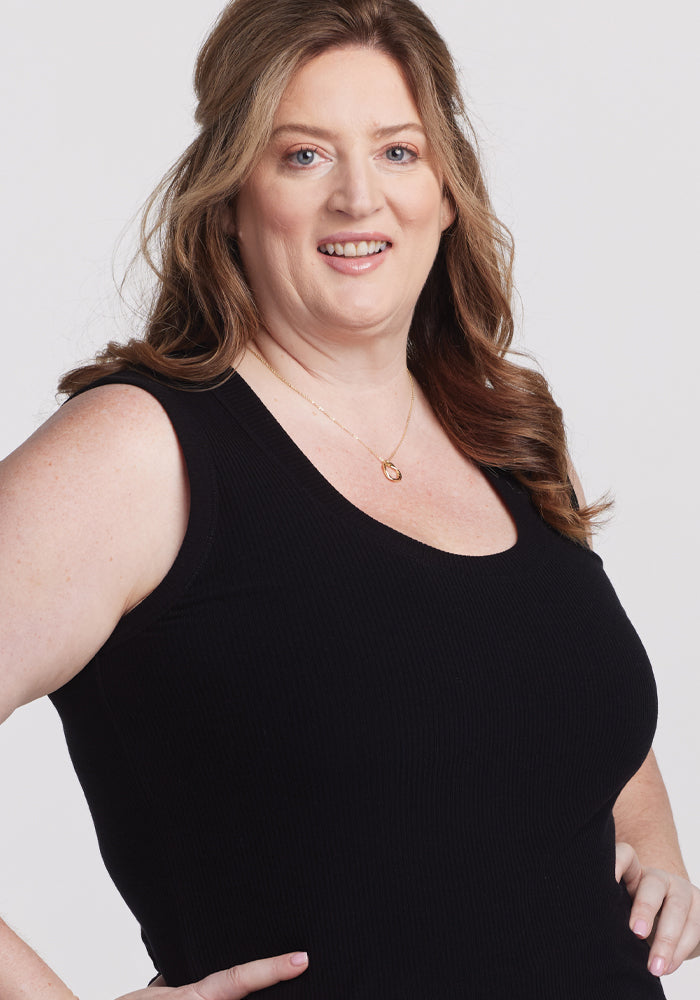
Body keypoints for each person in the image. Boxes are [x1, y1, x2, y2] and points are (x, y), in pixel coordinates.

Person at [1, 0, 698, 997]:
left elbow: (560, 711)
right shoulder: (140, 450)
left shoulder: (499, 433)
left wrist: (657, 853)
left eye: (400, 152)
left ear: (449, 191)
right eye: (302, 157)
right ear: (229, 195)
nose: (359, 199)